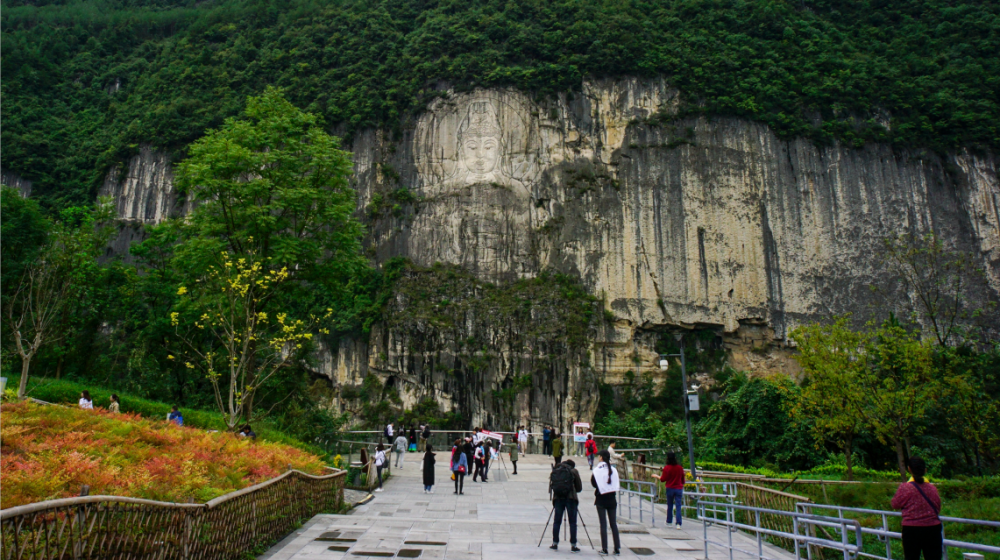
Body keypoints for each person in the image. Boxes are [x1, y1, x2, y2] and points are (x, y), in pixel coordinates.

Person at [891, 457, 942, 560]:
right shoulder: (932, 488)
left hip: (912, 530)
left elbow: (895, 504)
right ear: (925, 470)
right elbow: (938, 506)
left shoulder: (905, 488)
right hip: (933, 529)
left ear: (909, 469)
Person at [549, 459, 583, 552]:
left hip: (558, 498)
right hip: (571, 499)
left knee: (557, 521)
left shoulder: (556, 470)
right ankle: (573, 545)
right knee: (572, 522)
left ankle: (555, 543)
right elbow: (579, 488)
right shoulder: (573, 471)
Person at [592, 450, 622, 555]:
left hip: (601, 499)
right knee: (613, 524)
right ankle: (617, 548)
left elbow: (594, 483)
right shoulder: (613, 470)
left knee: (603, 524)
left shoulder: (597, 470)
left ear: (601, 458)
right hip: (612, 499)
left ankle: (605, 548)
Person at [660, 452, 686, 529]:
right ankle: (678, 523)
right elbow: (683, 480)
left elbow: (663, 479)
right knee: (678, 506)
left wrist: (657, 476)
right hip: (678, 488)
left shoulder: (666, 468)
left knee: (670, 505)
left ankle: (669, 521)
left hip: (670, 488)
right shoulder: (680, 468)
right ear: (675, 458)